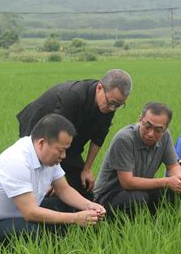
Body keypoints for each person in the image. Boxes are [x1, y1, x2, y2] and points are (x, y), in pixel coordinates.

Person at [0, 114, 106, 245]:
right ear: (42, 143)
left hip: (18, 214)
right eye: (60, 150)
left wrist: (89, 205)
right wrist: (75, 219)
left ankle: (57, 244)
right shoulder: (16, 162)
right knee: (32, 233)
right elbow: (30, 213)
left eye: (66, 150)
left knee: (65, 206)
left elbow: (64, 189)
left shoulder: (49, 157)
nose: (64, 156)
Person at [16, 69, 132, 200]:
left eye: (118, 105)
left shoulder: (109, 105)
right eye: (111, 103)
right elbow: (54, 138)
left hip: (69, 140)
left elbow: (99, 137)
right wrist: (54, 178)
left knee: (84, 190)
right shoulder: (73, 96)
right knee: (41, 185)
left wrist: (87, 169)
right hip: (41, 132)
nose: (112, 108)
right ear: (99, 88)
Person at [94, 102, 181, 219]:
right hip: (108, 196)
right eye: (147, 126)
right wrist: (167, 181)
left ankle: (159, 226)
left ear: (165, 129)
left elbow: (173, 166)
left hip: (139, 190)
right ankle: (119, 230)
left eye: (158, 130)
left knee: (172, 190)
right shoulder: (124, 139)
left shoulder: (165, 136)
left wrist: (178, 179)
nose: (151, 134)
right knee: (138, 198)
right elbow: (127, 182)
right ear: (140, 120)